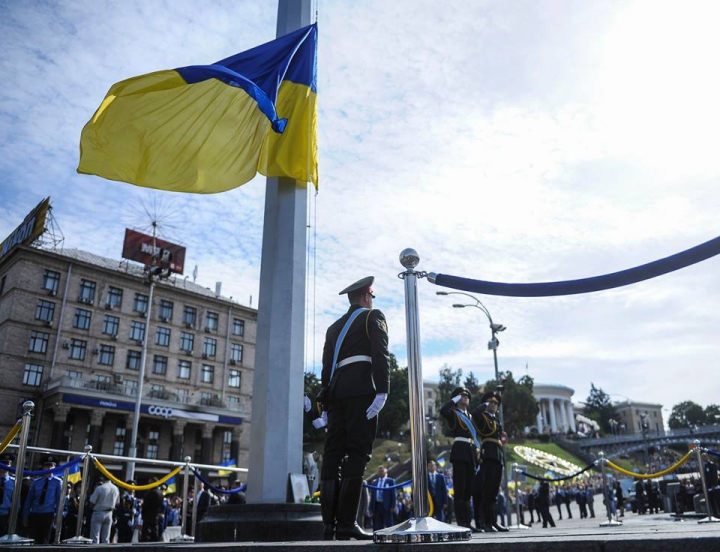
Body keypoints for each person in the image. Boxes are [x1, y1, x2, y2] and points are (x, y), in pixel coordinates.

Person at [318, 276, 390, 541]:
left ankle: (328, 525)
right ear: (367, 296)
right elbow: (380, 353)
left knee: (333, 454)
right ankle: (347, 522)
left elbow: (326, 368)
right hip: (362, 391)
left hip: (336, 393)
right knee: (358, 453)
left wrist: (323, 404)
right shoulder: (373, 317)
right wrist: (383, 390)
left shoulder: (333, 327)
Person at [439, 387, 478, 531]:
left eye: (467, 395)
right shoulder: (453, 414)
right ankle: (461, 522)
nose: (465, 397)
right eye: (462, 395)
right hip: (460, 451)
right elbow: (443, 411)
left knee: (468, 490)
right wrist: (454, 400)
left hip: (470, 452)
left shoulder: (470, 416)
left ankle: (468, 522)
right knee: (460, 489)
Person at [473, 390, 508, 533]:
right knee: (487, 491)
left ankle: (493, 522)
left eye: (495, 403)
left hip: (497, 455)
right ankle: (485, 522)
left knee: (494, 492)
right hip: (488, 454)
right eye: (491, 402)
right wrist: (485, 405)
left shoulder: (496, 421)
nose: (493, 404)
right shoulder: (483, 417)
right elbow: (475, 414)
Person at [22, 458, 63, 544]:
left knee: (45, 539)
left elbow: (59, 500)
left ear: (55, 467)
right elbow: (29, 500)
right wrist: (25, 516)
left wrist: (58, 516)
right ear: (43, 467)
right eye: (47, 466)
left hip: (48, 513)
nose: (49, 468)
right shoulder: (36, 482)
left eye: (51, 466)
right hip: (35, 513)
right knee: (33, 539)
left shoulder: (58, 482)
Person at [89, 475, 120, 543]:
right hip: (109, 513)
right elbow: (117, 503)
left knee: (95, 537)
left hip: (98, 511)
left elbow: (92, 503)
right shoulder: (116, 489)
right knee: (106, 538)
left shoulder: (100, 488)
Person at [369, 466, 396, 530]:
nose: (380, 473)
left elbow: (393, 495)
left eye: (382, 471)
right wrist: (370, 507)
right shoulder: (375, 482)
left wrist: (393, 506)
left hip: (386, 506)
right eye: (379, 471)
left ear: (385, 472)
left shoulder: (390, 481)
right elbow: (372, 496)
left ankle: (391, 536)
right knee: (377, 523)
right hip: (377, 505)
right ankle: (378, 537)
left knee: (389, 523)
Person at [0, 455, 15, 536]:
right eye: (3, 464)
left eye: (7, 464)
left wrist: (12, 518)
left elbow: (16, 502)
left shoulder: (14, 482)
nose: (5, 467)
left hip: (5, 515)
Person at [703, 453, 720, 517]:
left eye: (705, 457)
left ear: (708, 457)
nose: (704, 458)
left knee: (717, 500)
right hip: (708, 487)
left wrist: (714, 484)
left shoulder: (711, 464)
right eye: (703, 457)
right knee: (711, 501)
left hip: (714, 486)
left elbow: (714, 475)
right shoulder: (703, 465)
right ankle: (715, 515)